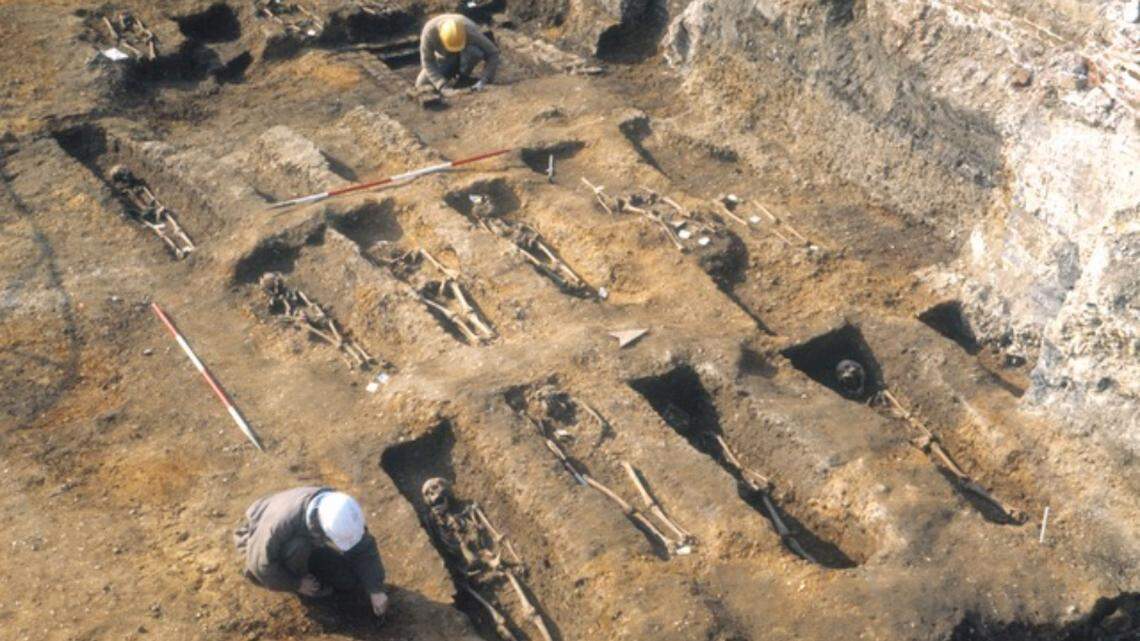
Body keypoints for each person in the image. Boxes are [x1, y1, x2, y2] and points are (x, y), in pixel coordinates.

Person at [234, 487, 389, 619]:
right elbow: (261, 566)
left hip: (308, 539)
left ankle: (310, 562)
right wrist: (296, 583)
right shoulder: (278, 527)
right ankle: (300, 577)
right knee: (297, 547)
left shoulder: (342, 509)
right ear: (320, 529)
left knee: (347, 581)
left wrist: (376, 589)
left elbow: (364, 547)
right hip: (256, 539)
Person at [416, 14, 500, 92]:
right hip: (444, 57)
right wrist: (441, 85)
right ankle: (453, 72)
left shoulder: (469, 30)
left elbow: (493, 53)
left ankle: (463, 77)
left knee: (474, 52)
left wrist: (484, 79)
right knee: (421, 84)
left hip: (467, 54)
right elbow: (427, 61)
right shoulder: (429, 33)